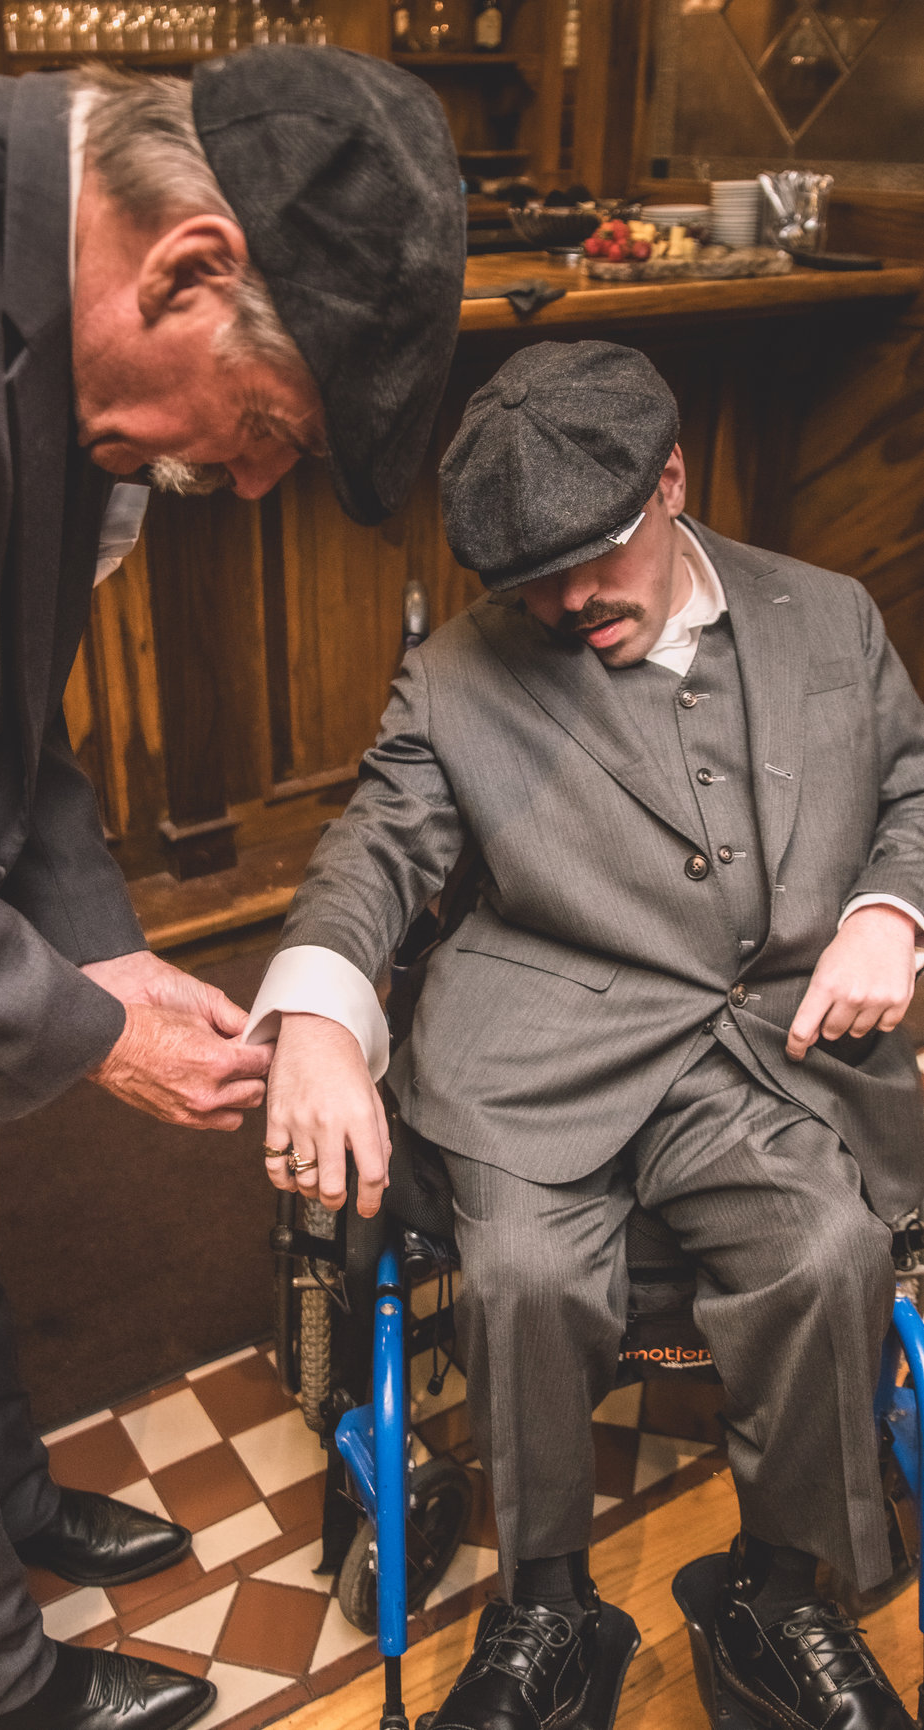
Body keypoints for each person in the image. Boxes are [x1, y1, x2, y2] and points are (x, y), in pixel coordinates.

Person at [0, 47, 465, 1730]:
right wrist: (83, 1032)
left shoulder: (59, 273)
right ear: (188, 269)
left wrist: (104, 953)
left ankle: (14, 1501)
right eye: (264, 434)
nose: (240, 482)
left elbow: (6, 711)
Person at [248, 341, 924, 1730]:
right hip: (537, 1053)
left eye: (589, 562)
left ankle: (772, 1593)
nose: (563, 604)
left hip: (761, 1064)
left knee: (827, 1252)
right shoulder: (457, 677)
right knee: (523, 1272)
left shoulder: (831, 615)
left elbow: (913, 781)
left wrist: (887, 910)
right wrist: (317, 1008)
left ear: (669, 479)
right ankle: (544, 1606)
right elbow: (374, 845)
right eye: (525, 580)